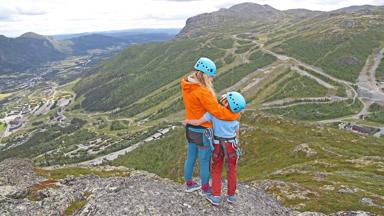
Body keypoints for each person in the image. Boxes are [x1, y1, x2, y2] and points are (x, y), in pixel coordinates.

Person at [181, 57, 240, 195]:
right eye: (212, 76)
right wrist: (234, 115)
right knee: (205, 160)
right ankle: (205, 188)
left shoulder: (187, 85)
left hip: (190, 128)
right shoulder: (204, 92)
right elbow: (218, 112)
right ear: (206, 75)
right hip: (203, 131)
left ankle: (189, 184)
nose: (212, 78)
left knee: (190, 157)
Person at [184, 92, 246, 206]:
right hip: (231, 146)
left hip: (218, 145)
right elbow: (237, 135)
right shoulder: (235, 118)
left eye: (225, 98)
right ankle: (231, 196)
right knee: (232, 170)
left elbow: (198, 122)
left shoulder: (213, 114)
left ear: (227, 103)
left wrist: (188, 121)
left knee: (216, 170)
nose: (223, 98)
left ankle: (216, 197)